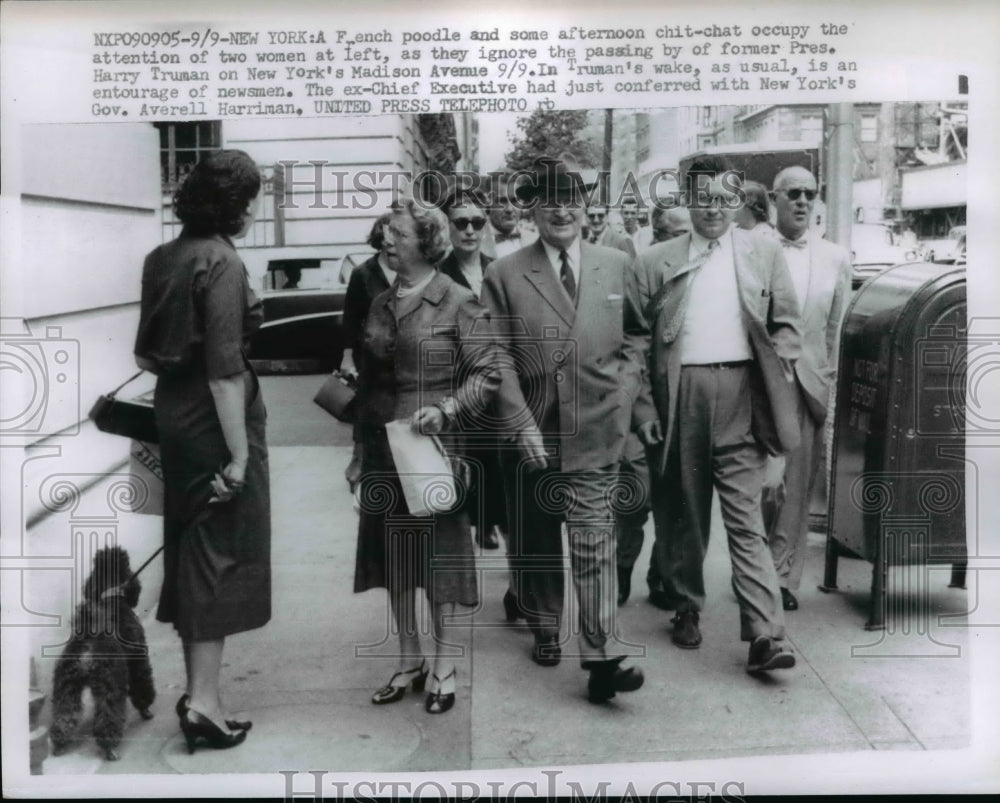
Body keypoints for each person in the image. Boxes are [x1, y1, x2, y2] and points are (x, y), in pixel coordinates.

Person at [628, 154, 803, 674]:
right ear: (687, 199)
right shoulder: (655, 260)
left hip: (744, 394)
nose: (713, 209)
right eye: (702, 199)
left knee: (745, 517)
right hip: (680, 394)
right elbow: (634, 340)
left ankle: (765, 633)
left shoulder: (761, 253)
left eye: (724, 199)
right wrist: (643, 407)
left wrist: (778, 366)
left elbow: (787, 323)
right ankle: (686, 605)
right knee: (684, 511)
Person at [482, 155, 646, 703]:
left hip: (597, 426)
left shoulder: (616, 263)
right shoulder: (505, 273)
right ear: (532, 210)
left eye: (571, 200)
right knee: (535, 537)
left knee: (594, 539)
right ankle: (546, 624)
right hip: (532, 429)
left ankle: (601, 657)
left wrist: (624, 394)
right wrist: (519, 420)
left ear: (585, 207)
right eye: (549, 201)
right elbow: (494, 354)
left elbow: (637, 336)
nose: (562, 211)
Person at [133, 150, 268, 752]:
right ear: (235, 204)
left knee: (192, 552)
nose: (254, 210)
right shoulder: (221, 260)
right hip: (217, 423)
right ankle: (205, 706)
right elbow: (224, 373)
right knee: (218, 558)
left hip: (175, 417)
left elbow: (144, 355)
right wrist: (238, 458)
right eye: (252, 200)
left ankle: (198, 695)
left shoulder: (160, 257)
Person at [353, 199, 502, 715]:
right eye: (385, 232)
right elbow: (368, 383)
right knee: (395, 555)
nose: (386, 240)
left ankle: (443, 664)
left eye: (397, 233)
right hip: (382, 446)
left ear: (427, 242)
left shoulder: (458, 300)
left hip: (433, 449)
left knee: (440, 558)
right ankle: (409, 658)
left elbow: (487, 374)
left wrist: (446, 409)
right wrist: (358, 453)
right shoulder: (380, 302)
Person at [763, 167, 851, 611]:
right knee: (761, 486)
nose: (802, 201)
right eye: (793, 193)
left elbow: (836, 327)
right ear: (774, 198)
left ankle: (780, 577)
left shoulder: (835, 258)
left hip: (808, 384)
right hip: (758, 382)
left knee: (795, 487)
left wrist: (827, 379)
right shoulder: (752, 248)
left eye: (809, 194)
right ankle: (755, 566)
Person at [436, 186, 503, 550]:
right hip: (459, 385)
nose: (470, 230)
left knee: (500, 462)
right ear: (447, 226)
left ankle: (493, 519)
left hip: (502, 381)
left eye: (477, 222)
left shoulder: (499, 270)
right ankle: (478, 522)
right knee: (468, 461)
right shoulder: (438, 276)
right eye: (460, 223)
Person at [340, 212, 398, 488]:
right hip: (370, 355)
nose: (391, 240)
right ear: (379, 236)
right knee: (368, 408)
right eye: (387, 233)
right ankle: (359, 461)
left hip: (401, 352)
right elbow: (350, 319)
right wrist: (346, 357)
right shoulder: (363, 273)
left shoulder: (410, 269)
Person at [481, 172, 536, 259]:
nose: (509, 209)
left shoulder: (536, 241)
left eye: (515, 201)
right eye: (502, 201)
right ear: (487, 202)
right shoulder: (475, 242)